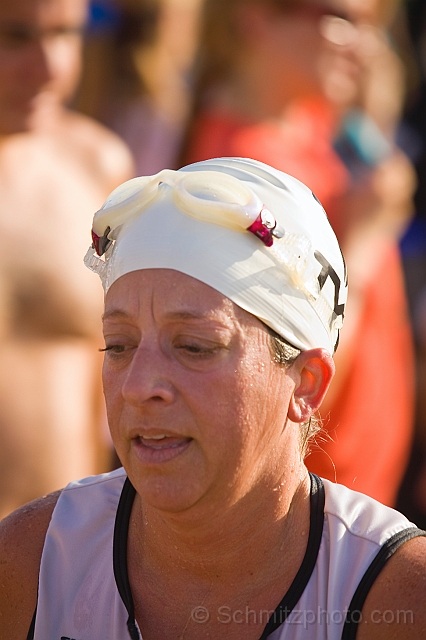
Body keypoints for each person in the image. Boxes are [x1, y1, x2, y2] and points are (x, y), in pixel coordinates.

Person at [1, 157, 425, 640]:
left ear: (306, 382)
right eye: (118, 345)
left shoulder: (398, 598)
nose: (139, 387)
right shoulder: (31, 562)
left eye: (194, 347)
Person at [182, 0, 415, 506]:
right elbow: (294, 369)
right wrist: (370, 235)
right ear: (257, 15)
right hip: (303, 509)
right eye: (343, 19)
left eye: (373, 26)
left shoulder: (305, 122)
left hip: (357, 489)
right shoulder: (241, 176)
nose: (367, 45)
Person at [0, 0, 134, 518]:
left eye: (65, 34)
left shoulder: (97, 166)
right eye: (14, 38)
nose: (50, 66)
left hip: (67, 560)